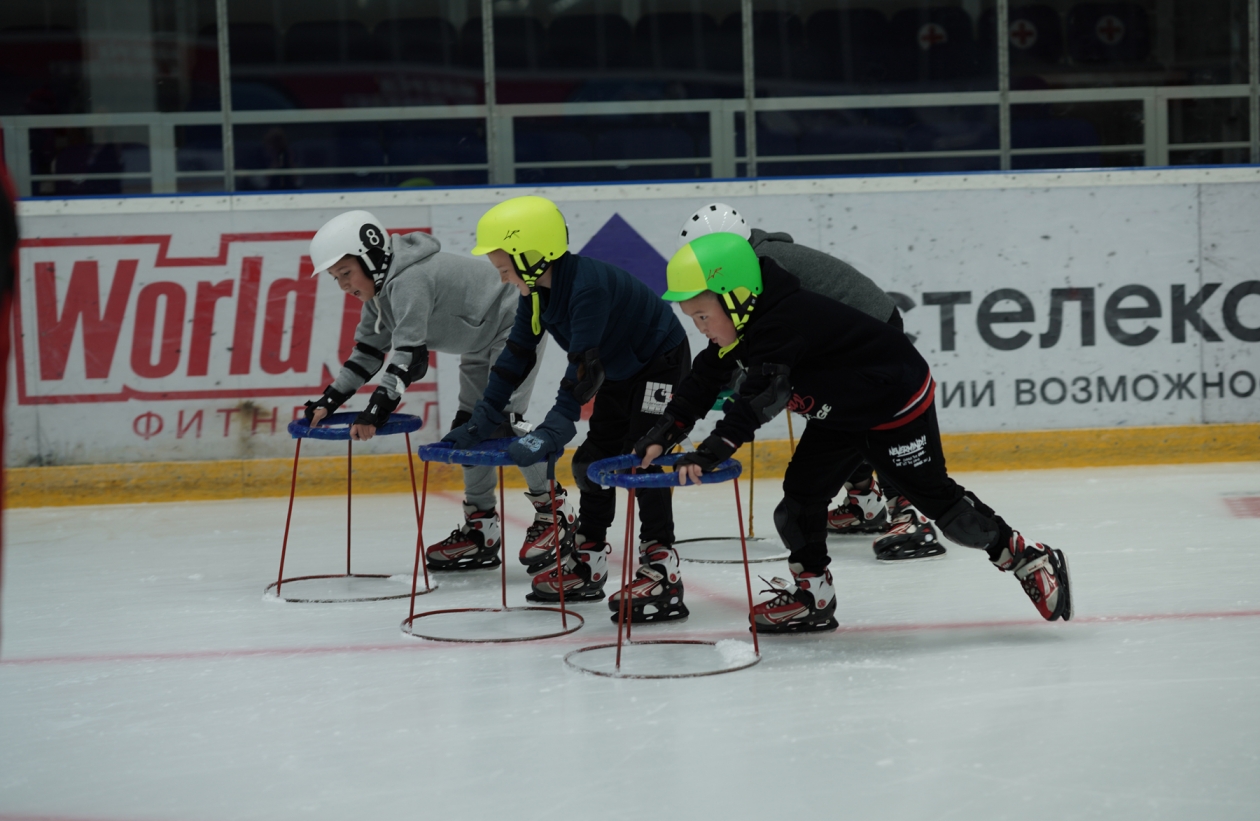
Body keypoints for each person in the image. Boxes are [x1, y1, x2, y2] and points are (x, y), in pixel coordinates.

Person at [637, 232, 1073, 633]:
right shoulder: (740, 327)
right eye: (693, 318)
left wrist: (713, 449)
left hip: (893, 406)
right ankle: (813, 598)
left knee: (948, 511)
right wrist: (663, 431)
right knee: (797, 504)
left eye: (701, 315)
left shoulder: (779, 321)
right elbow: (702, 381)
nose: (701, 329)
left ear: (735, 297)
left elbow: (763, 395)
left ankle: (1026, 558)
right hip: (841, 414)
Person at [447, 196, 692, 624]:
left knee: (644, 458)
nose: (501, 277)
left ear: (530, 254)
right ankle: (590, 555)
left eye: (503, 266)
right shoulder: (537, 294)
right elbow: (515, 359)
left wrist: (556, 424)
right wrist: (481, 419)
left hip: (660, 362)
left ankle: (661, 564)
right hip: (618, 369)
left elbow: (583, 371)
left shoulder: (587, 287)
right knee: (591, 462)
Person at [304, 210, 575, 573]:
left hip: (513, 323)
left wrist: (376, 410)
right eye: (337, 278)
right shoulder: (380, 293)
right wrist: (330, 399)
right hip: (480, 342)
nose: (343, 286)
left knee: (502, 423)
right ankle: (481, 528)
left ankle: (554, 512)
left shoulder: (409, 280)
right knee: (470, 425)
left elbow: (408, 359)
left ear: (370, 260)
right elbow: (368, 352)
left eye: (346, 274)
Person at [678, 202, 944, 562]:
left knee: (869, 416)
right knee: (835, 416)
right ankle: (863, 501)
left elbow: (774, 336)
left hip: (870, 331)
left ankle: (909, 513)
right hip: (858, 325)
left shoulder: (758, 268)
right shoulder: (751, 265)